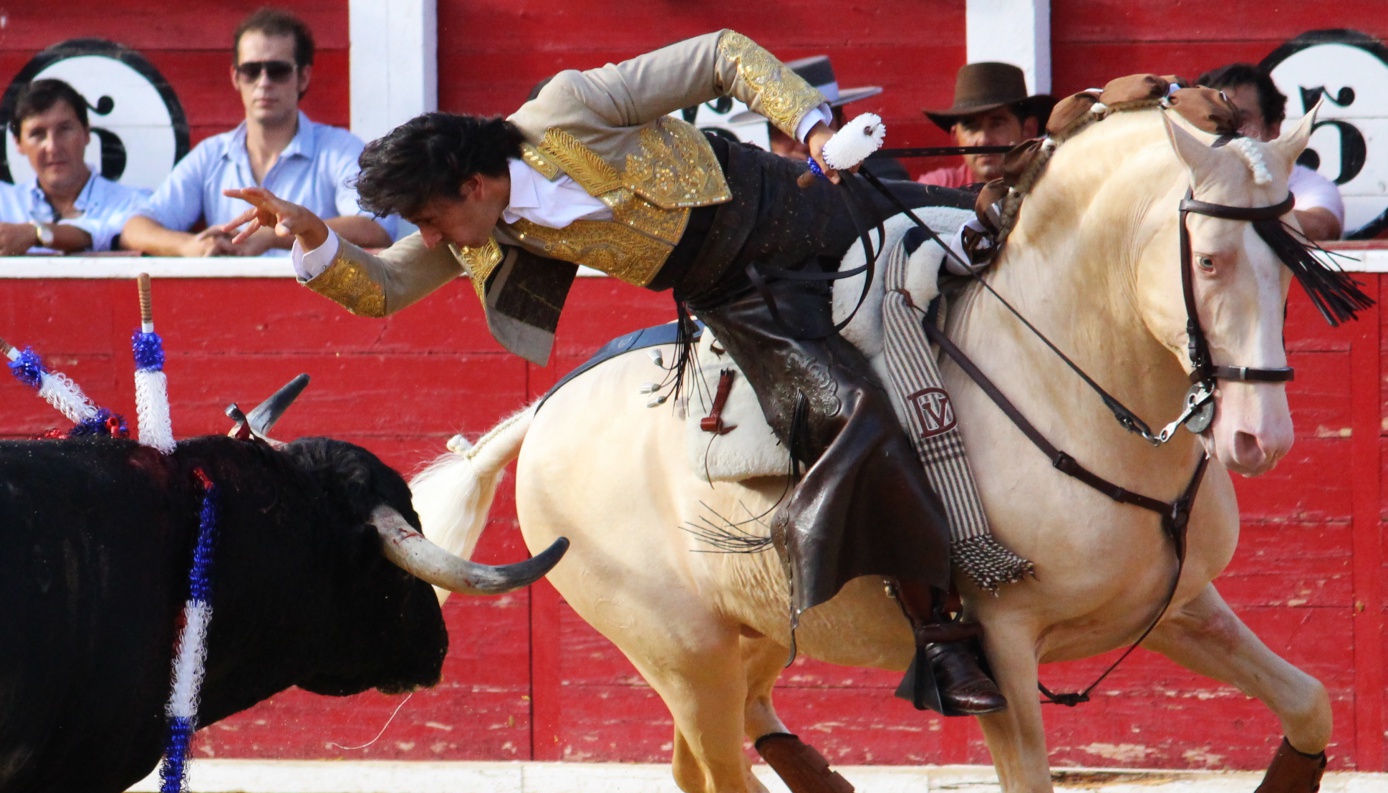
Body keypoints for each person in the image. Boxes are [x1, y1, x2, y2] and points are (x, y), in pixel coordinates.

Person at [227, 30, 1004, 716]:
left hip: (798, 208)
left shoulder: (568, 108)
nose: (429, 236)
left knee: (994, 243)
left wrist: (809, 124)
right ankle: (942, 631)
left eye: (430, 218)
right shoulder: (482, 231)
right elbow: (385, 286)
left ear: (471, 184)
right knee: (845, 409)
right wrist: (312, 239)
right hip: (744, 297)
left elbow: (720, 54)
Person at [123, 8, 391, 257]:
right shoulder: (211, 155)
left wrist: (275, 236)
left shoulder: (340, 149)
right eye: (251, 71)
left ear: (304, 78)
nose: (264, 83)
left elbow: (376, 228)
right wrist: (188, 246)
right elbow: (135, 227)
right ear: (236, 77)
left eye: (278, 71)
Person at [0, 79, 148, 255]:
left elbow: (110, 232)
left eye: (64, 129)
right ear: (18, 143)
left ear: (86, 133)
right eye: (37, 134)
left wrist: (35, 234)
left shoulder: (132, 201)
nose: (52, 147)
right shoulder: (1, 199)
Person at [1196, 63, 1344, 240]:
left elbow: (1320, 227)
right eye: (1217, 119)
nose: (1227, 129)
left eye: (1241, 119)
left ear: (1273, 129)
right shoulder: (1183, 179)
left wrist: (1220, 212)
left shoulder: (1306, 183)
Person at [765, 55, 908, 181]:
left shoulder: (883, 175)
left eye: (820, 123)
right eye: (787, 129)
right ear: (771, 136)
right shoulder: (762, 185)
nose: (805, 143)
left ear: (842, 123)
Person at [916, 62, 1050, 188]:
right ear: (956, 137)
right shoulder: (937, 187)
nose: (984, 140)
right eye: (971, 127)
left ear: (1028, 130)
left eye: (997, 124)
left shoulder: (1052, 184)